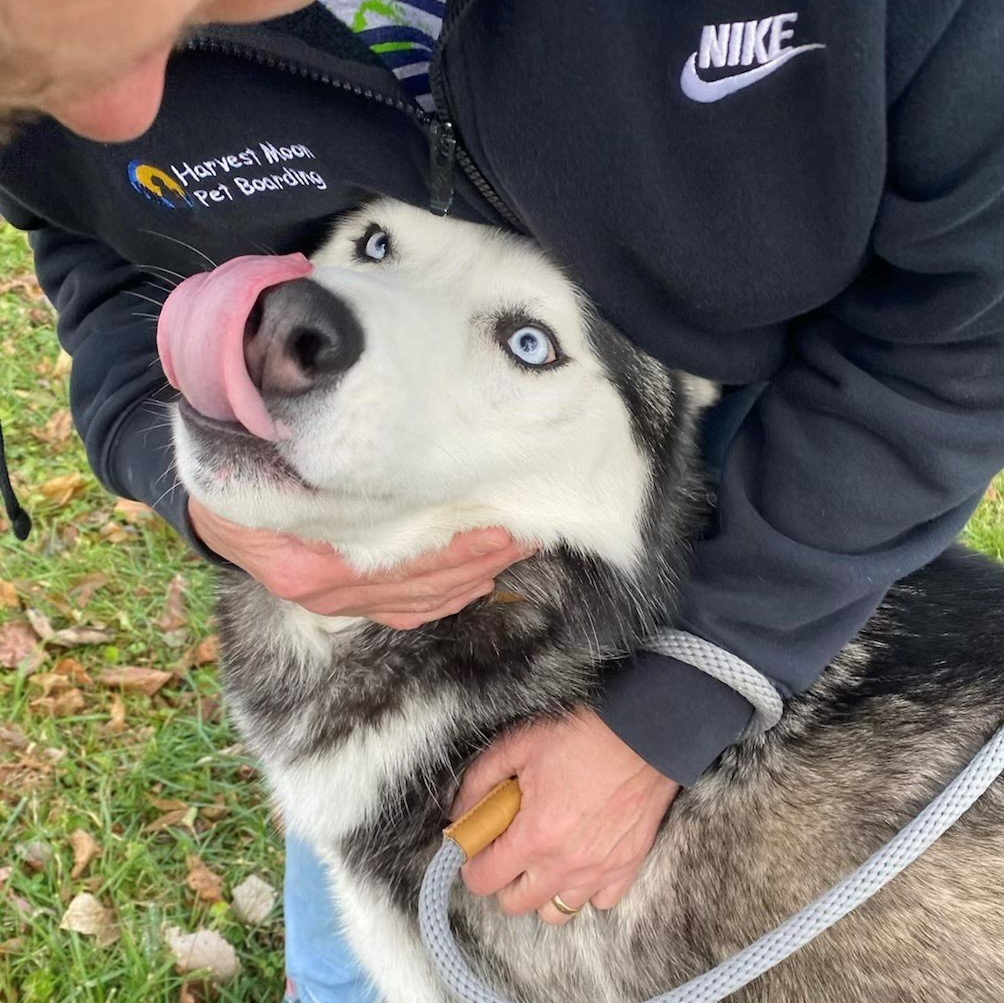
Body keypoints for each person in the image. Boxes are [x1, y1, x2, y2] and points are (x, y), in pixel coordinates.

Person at [0, 2, 1001, 1001]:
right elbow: (84, 227)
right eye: (26, 92)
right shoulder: (85, 85)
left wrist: (682, 696)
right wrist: (159, 439)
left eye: (142, 44)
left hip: (778, 417)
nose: (125, 117)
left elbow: (960, 336)